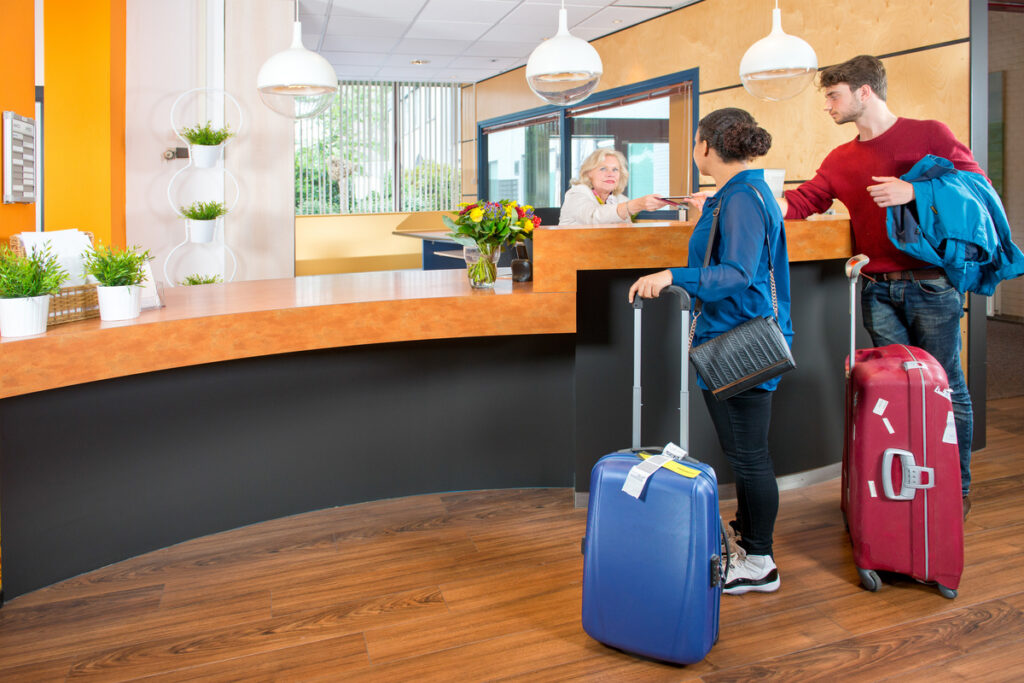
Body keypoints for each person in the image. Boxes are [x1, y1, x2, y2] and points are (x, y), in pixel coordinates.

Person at [780, 55, 983, 519]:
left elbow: (978, 189)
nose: (827, 106)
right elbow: (803, 202)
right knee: (900, 391)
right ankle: (909, 484)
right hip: (876, 289)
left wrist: (916, 192)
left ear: (864, 92)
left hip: (932, 285)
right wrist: (738, 198)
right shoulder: (840, 158)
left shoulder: (929, 134)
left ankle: (957, 488)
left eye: (834, 96)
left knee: (945, 385)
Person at [629, 108, 792, 595]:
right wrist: (707, 216)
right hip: (729, 337)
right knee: (742, 451)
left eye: (696, 141)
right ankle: (747, 538)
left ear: (707, 146)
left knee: (750, 456)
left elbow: (736, 275)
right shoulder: (736, 194)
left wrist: (671, 276)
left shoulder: (743, 197)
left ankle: (760, 562)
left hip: (741, 341)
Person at [558, 148, 668, 225]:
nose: (610, 174)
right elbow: (594, 217)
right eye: (603, 169)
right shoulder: (577, 193)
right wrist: (636, 205)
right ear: (588, 173)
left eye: (615, 169)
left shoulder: (620, 199)